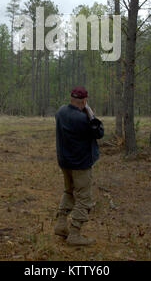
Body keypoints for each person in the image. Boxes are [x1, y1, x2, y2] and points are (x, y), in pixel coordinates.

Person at [54, 86, 104, 246]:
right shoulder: (83, 119)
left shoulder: (61, 112)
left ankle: (61, 224)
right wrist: (90, 113)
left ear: (71, 98)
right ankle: (74, 233)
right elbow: (99, 133)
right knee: (84, 198)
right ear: (84, 101)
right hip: (80, 165)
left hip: (65, 162)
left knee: (68, 191)